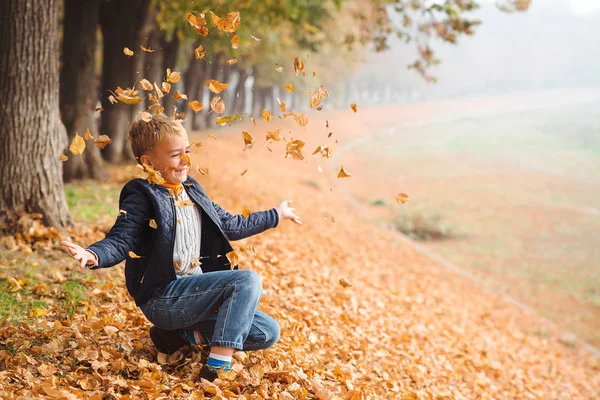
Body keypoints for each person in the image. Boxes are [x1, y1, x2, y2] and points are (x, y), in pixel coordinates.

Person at [61, 112, 301, 382]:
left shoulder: (192, 188)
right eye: (176, 155)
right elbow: (122, 238)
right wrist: (93, 253)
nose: (185, 160)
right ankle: (216, 369)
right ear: (149, 162)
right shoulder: (141, 194)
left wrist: (275, 215)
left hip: (196, 295)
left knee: (267, 331)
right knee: (246, 281)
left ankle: (179, 336)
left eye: (187, 152)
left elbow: (229, 224)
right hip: (163, 298)